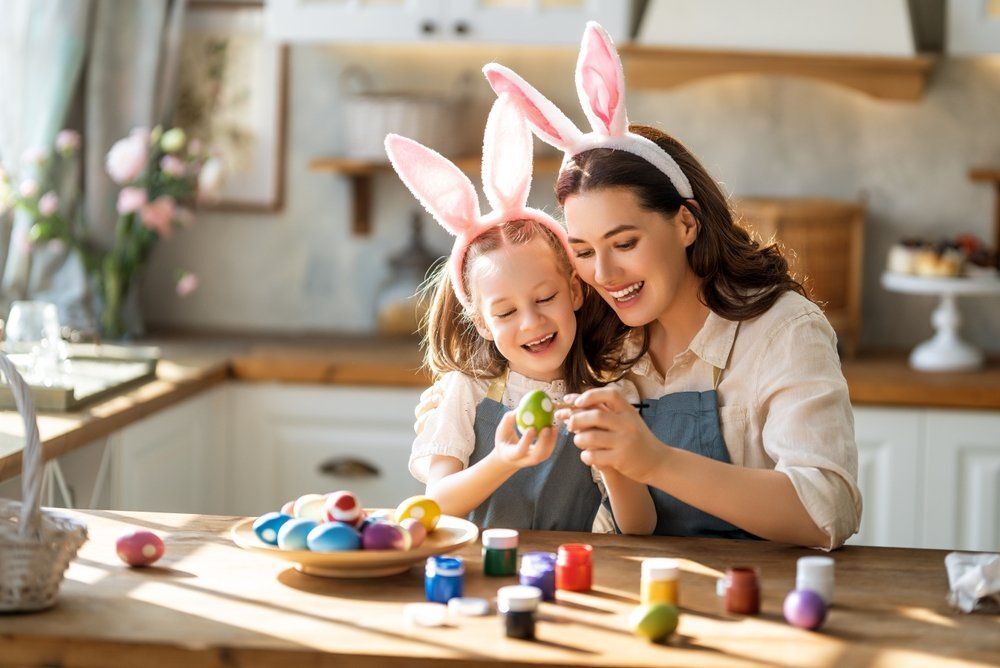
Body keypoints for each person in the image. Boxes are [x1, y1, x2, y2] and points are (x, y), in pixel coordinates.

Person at [419, 22, 861, 549]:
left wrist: (654, 460)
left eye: (624, 243)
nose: (604, 275)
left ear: (685, 224)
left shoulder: (781, 330)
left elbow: (826, 511)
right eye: (582, 252)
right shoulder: (601, 341)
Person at [388, 95, 655, 534]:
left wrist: (613, 463)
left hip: (571, 584)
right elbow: (434, 504)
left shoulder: (608, 393)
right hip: (474, 577)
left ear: (574, 291)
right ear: (481, 323)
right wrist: (502, 460)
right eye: (507, 311)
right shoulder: (468, 391)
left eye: (545, 298)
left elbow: (640, 527)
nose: (531, 323)